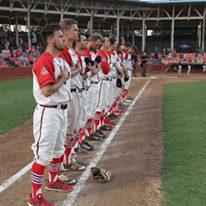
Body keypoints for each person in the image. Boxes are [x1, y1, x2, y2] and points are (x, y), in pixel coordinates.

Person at [28, 23, 72, 206]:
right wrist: (62, 79)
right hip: (48, 112)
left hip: (61, 111)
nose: (64, 39)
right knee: (43, 155)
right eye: (60, 36)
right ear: (50, 40)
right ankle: (34, 197)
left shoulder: (59, 60)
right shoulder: (44, 60)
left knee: (57, 151)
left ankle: (53, 181)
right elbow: (46, 91)